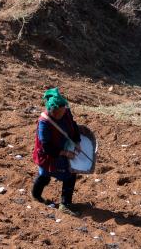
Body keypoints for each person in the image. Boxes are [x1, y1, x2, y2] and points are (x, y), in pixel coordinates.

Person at [31, 88, 83, 216]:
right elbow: (46, 146)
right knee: (51, 176)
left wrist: (76, 141)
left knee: (62, 175)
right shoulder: (44, 123)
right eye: (57, 114)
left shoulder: (66, 111)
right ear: (51, 111)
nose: (61, 115)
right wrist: (64, 153)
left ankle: (60, 202)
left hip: (64, 147)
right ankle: (60, 203)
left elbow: (73, 125)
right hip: (51, 154)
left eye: (62, 111)